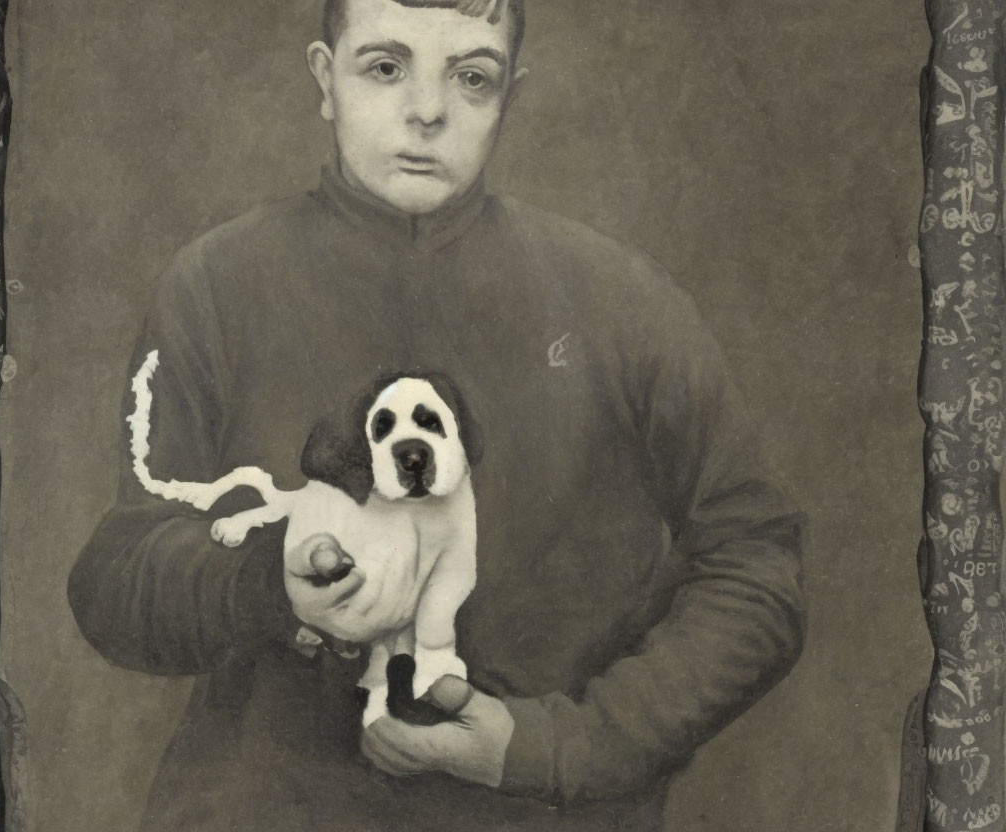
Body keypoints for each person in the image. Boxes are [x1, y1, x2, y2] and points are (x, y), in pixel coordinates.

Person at [68, 0, 808, 829]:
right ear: (325, 77)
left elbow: (757, 564)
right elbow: (116, 581)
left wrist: (560, 748)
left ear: (511, 95)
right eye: (386, 67)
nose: (428, 110)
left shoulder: (624, 302)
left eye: (472, 76)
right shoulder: (213, 285)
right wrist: (265, 583)